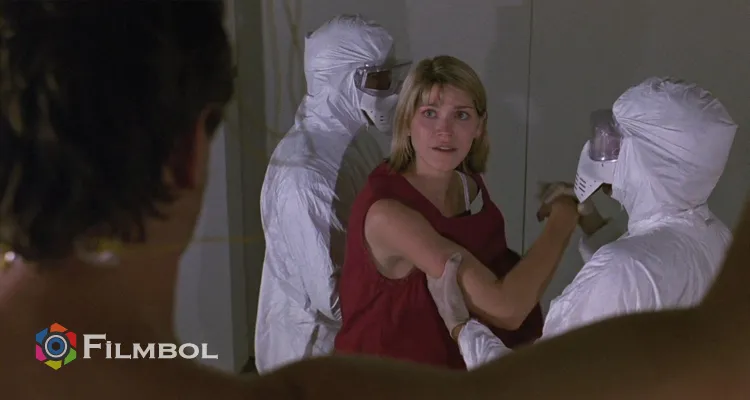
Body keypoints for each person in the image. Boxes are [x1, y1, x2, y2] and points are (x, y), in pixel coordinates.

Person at [426, 77, 739, 369]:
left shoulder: (621, 270)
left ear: (647, 159)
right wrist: (590, 220)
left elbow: (534, 385)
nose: (602, 148)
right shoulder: (718, 240)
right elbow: (650, 272)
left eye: (615, 140)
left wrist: (462, 328)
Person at [333, 55, 581, 370]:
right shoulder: (389, 215)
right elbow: (507, 308)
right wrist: (564, 217)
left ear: (479, 126)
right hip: (384, 382)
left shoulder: (466, 183)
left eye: (461, 115)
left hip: (455, 373)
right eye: (430, 113)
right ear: (406, 122)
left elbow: (499, 269)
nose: (445, 131)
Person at [255, 14, 412, 373]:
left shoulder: (354, 141)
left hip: (351, 348)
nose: (393, 92)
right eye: (380, 80)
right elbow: (336, 299)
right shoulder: (306, 175)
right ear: (342, 82)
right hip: (311, 356)